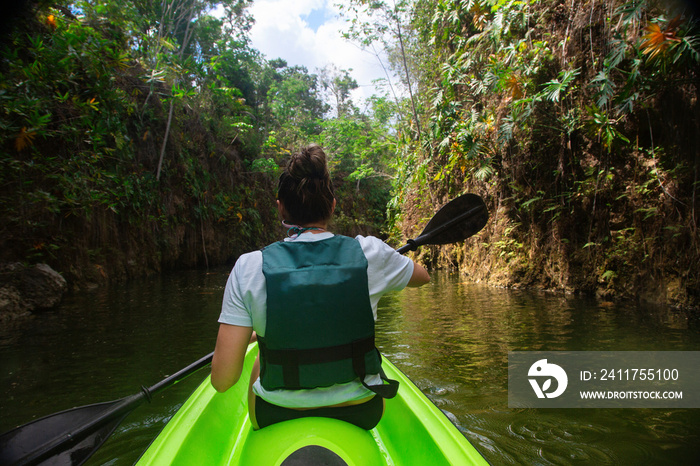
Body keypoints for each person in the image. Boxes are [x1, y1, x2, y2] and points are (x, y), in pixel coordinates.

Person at [211, 144, 430, 430]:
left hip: (277, 414)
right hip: (362, 411)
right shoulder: (370, 253)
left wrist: (258, 331)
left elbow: (223, 380)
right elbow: (422, 277)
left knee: (259, 360)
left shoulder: (248, 266)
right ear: (332, 206)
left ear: (281, 208)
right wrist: (387, 260)